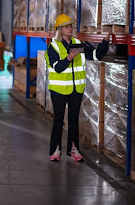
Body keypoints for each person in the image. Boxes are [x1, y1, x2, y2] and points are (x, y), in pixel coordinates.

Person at [45, 14, 110, 162]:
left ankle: (73, 150)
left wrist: (105, 42)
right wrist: (68, 58)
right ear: (60, 30)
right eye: (67, 26)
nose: (70, 28)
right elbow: (57, 68)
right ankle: (55, 150)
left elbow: (95, 55)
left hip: (76, 90)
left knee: (74, 120)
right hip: (59, 90)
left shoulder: (78, 43)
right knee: (58, 119)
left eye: (71, 26)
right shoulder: (53, 46)